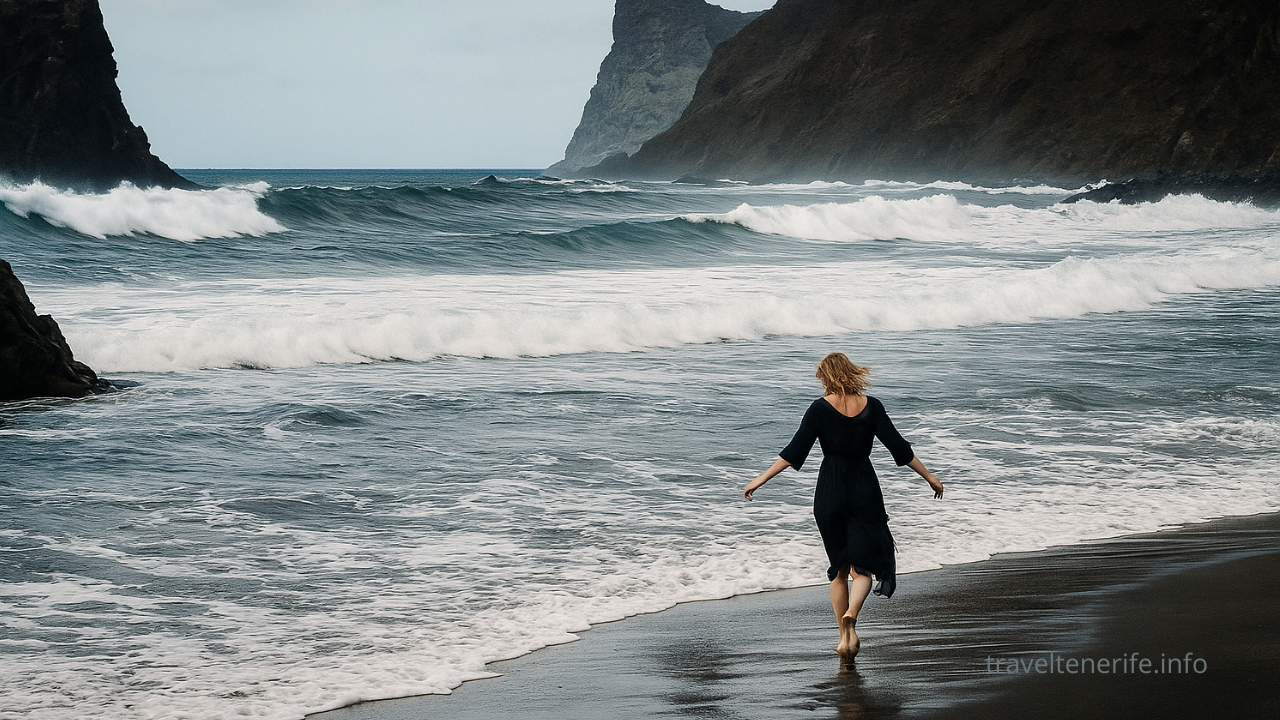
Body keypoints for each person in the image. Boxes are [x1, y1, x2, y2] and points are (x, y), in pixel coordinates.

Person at [743, 352, 944, 659]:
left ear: (826, 377)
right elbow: (900, 448)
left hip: (830, 490)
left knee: (839, 569)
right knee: (863, 569)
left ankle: (843, 638)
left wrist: (760, 479)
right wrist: (930, 477)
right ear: (851, 373)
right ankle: (852, 614)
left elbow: (795, 451)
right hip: (864, 488)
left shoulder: (819, 408)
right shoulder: (872, 406)